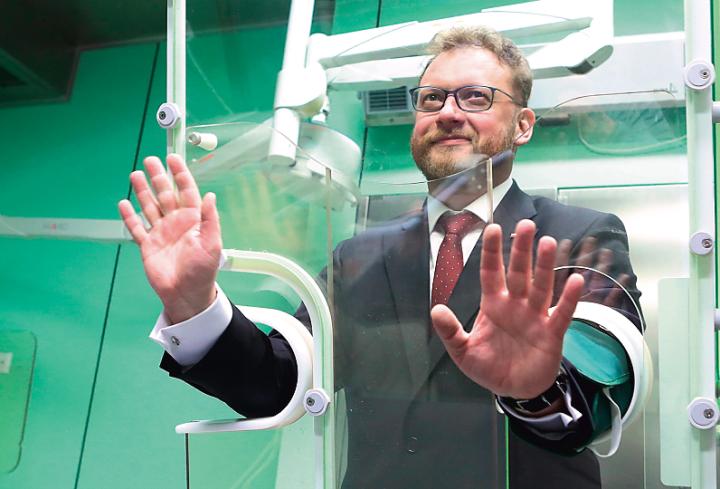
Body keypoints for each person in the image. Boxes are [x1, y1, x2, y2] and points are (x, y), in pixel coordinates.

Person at [119, 26, 641, 489]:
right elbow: (276, 385)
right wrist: (195, 304)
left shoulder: (580, 235)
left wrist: (536, 390)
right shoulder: (357, 256)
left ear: (523, 125)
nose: (448, 113)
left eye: (475, 97)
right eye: (431, 98)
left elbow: (597, 405)